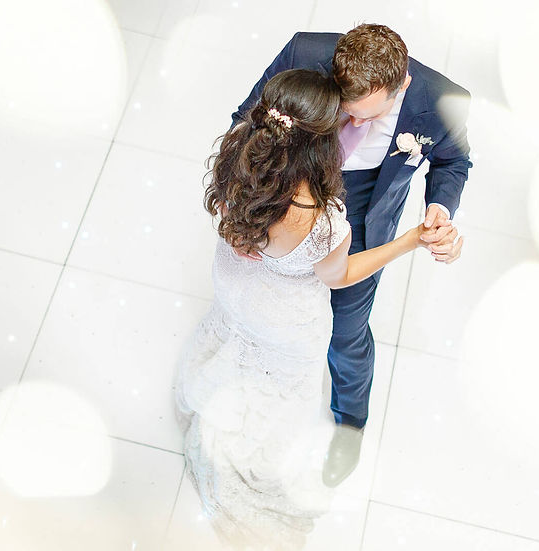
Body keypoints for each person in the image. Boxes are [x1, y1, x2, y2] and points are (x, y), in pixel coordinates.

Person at [174, 68, 438, 550]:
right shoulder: (322, 222)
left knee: (232, 343)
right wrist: (409, 241)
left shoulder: (237, 155)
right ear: (320, 143)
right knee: (281, 395)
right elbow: (338, 276)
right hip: (286, 322)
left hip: (234, 286)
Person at [231, 24, 472, 485]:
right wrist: (241, 210)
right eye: (347, 112)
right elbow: (246, 120)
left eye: (368, 117)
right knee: (267, 311)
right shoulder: (305, 51)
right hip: (286, 191)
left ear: (401, 85)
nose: (353, 126)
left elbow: (453, 161)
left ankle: (349, 424)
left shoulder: (443, 99)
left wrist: (438, 211)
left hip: (362, 212)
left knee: (345, 333)